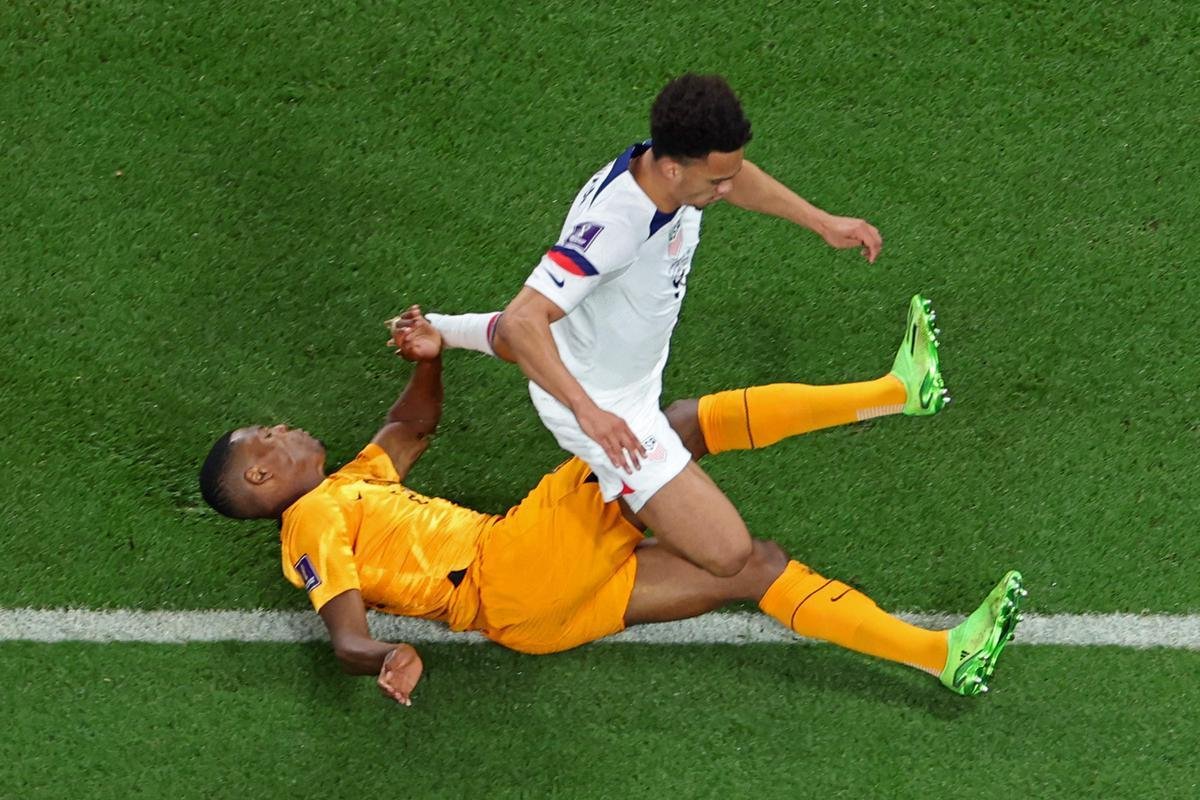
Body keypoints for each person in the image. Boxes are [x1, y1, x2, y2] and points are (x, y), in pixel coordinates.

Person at [198, 310, 1022, 707]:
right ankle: (895, 392)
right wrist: (380, 657)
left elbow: (413, 426)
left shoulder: (349, 488)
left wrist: (431, 352)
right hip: (509, 569)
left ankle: (940, 655)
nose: (286, 429)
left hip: (534, 618)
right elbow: (342, 634)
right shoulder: (309, 522)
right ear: (263, 481)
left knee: (752, 567)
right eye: (268, 438)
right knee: (670, 431)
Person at [413, 73, 947, 584]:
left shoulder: (667, 165)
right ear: (674, 169)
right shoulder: (616, 228)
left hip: (621, 370)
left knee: (629, 375)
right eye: (716, 180)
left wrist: (823, 222)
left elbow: (732, 178)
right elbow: (526, 320)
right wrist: (590, 414)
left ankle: (889, 394)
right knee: (730, 553)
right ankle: (591, 555)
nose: (726, 188)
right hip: (610, 412)